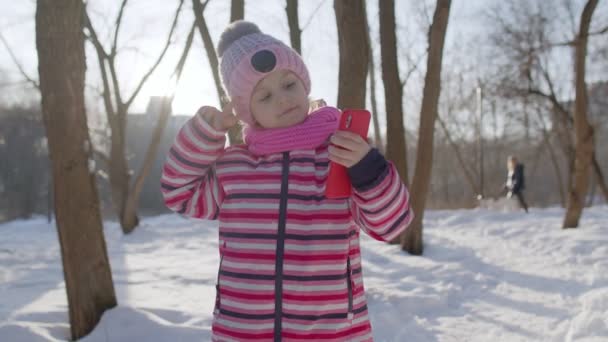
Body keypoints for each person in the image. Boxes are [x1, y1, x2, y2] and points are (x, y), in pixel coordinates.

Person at [160, 20, 413, 341]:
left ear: (305, 84)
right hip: (244, 331)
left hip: (332, 332)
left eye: (289, 84)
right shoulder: (234, 167)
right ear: (245, 111)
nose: (282, 99)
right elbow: (179, 193)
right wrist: (204, 133)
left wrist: (368, 169)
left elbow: (391, 224)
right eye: (264, 96)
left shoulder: (341, 154)